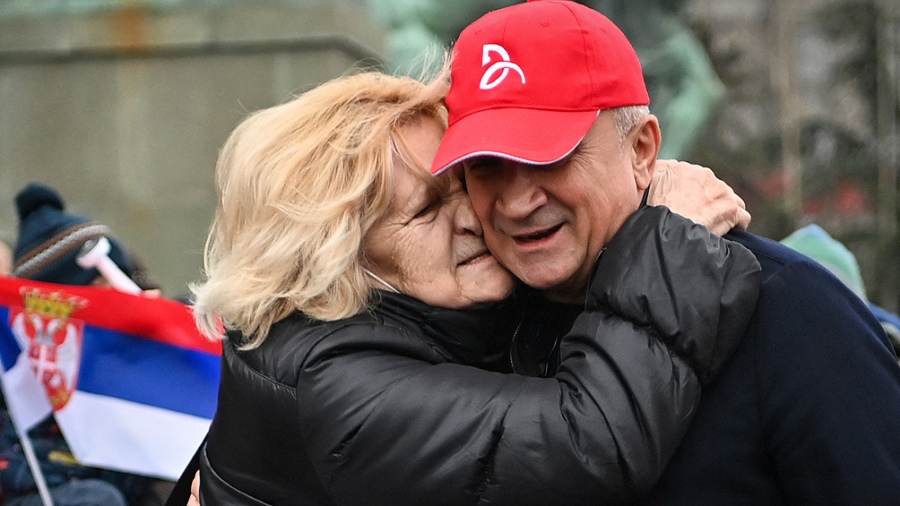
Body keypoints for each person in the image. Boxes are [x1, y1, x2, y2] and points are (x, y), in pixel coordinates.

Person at [185, 69, 760, 505]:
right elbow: (590, 441)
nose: (479, 214)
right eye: (426, 209)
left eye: (466, 178)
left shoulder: (402, 323)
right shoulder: (340, 387)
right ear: (338, 257)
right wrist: (668, 247)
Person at [430, 1, 900, 504]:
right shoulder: (471, 335)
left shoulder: (787, 309)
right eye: (485, 165)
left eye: (552, 156)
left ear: (642, 151)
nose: (518, 202)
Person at [4, 183, 163, 506]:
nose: (123, 299)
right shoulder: (23, 385)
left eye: (121, 278)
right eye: (98, 293)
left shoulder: (139, 361)